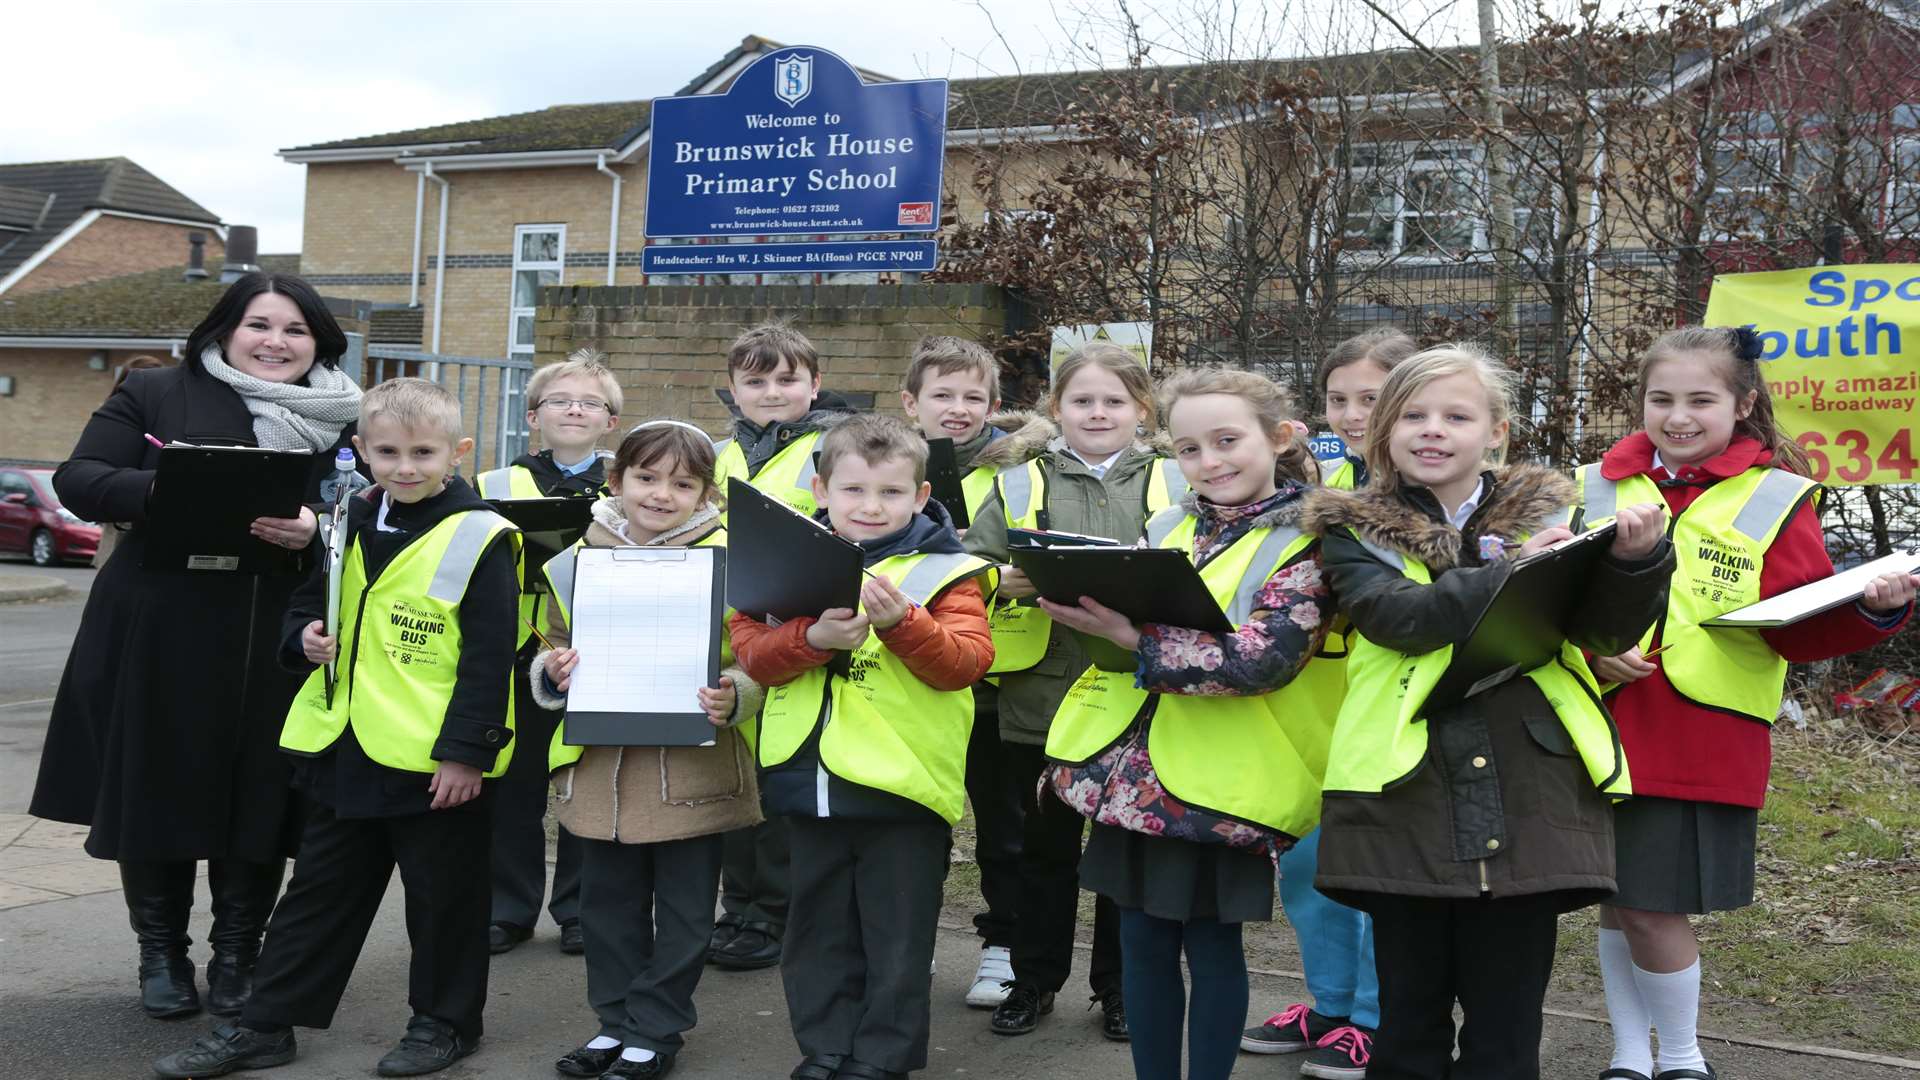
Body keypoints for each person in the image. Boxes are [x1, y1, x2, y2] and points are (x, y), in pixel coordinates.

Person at [1299, 345, 1674, 1080]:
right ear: (1383, 433)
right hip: (1403, 797)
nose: (1432, 430)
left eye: (1456, 416)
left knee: (1506, 1034)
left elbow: (1603, 634)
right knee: (1407, 1030)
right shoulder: (1350, 529)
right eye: (1411, 415)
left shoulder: (1557, 513)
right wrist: (1515, 569)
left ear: (1496, 432)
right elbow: (1399, 618)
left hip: (1531, 790)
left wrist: (1635, 564)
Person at [153, 377, 520, 1079]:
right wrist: (305, 637)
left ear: (458, 452)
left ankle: (443, 1025)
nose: (405, 466)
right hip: (345, 745)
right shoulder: (348, 516)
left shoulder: (482, 535)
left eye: (423, 452)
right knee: (316, 896)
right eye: (387, 451)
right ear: (360, 450)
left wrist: (467, 754)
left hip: (435, 761)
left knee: (444, 904)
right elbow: (306, 602)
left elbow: (490, 655)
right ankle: (265, 1025)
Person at [1576, 326, 1916, 1080]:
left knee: (1650, 904)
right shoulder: (1592, 485)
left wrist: (1875, 609)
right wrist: (1591, 651)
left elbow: (1800, 628)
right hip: (1593, 720)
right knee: (1616, 898)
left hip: (1700, 731)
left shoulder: (1776, 495)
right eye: (1660, 399)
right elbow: (1546, 600)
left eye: (1702, 399)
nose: (1678, 416)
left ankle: (1685, 1060)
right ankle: (1631, 1058)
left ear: (1744, 404)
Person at [32, 272, 363, 1021]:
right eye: (259, 324)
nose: (276, 342)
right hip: (157, 624)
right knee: (157, 786)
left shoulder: (344, 414)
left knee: (259, 795)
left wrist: (317, 525)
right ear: (224, 328)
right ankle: (162, 955)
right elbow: (79, 478)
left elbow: (373, 502)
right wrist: (164, 490)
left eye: (295, 330)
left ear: (319, 342)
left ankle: (240, 956)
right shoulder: (156, 392)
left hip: (276, 630)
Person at [1039, 367, 1338, 1080]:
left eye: (1228, 441)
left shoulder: (1310, 540)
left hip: (1222, 789)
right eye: (1191, 449)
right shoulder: (1170, 523)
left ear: (1282, 437)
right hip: (1133, 782)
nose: (1211, 462)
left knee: (1211, 948)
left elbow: (1263, 661)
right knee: (1140, 942)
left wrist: (1131, 637)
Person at [729, 413, 996, 1080]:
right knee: (816, 932)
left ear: (921, 495)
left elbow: (965, 663)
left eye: (890, 493)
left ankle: (880, 1058)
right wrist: (811, 641)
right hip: (805, 778)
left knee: (896, 937)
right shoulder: (785, 557)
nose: (870, 507)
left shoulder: (949, 570)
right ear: (821, 490)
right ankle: (826, 1048)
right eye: (852, 491)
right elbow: (752, 654)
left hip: (901, 787)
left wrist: (904, 623)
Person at [962, 342, 1190, 1041]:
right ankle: (1032, 981)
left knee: (1122, 854)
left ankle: (1119, 990)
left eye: (1114, 401)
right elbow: (970, 571)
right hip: (1045, 697)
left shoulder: (1179, 480)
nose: (1098, 412)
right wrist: (1005, 581)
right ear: (1055, 408)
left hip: (1139, 695)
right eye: (1083, 401)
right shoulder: (1019, 482)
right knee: (1044, 853)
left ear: (1142, 411)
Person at [532, 420, 765, 1080]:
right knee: (606, 912)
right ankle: (614, 1025)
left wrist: (737, 694)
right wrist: (554, 673)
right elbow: (550, 641)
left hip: (692, 769)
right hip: (601, 772)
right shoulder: (574, 558)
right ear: (617, 481)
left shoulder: (736, 561)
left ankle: (656, 1029)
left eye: (682, 483)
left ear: (706, 493)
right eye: (646, 477)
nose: (662, 493)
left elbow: (758, 657)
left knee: (688, 914)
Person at [1243, 328, 1415, 1078]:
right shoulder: (1306, 489)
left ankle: (1380, 1017)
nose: (1351, 414)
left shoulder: (1427, 489)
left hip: (1387, 705)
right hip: (1307, 706)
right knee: (1308, 863)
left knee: (1377, 867)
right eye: (1339, 399)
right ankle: (1331, 1003)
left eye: (1370, 399)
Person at [708, 322, 851, 972]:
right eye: (755, 381)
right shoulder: (715, 454)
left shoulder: (835, 449)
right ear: (733, 389)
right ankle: (738, 906)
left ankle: (772, 914)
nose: (771, 392)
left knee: (779, 787)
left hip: (795, 642)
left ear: (814, 384)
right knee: (734, 784)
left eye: (787, 379)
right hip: (723, 642)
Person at [476, 348, 622, 957]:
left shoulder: (627, 485)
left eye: (590, 402)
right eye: (559, 400)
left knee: (585, 781)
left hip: (597, 653)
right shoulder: (491, 484)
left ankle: (582, 911)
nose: (574, 409)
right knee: (512, 785)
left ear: (610, 420)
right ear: (533, 415)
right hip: (514, 654)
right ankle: (506, 909)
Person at [898, 334, 1025, 1007]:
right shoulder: (884, 465)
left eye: (973, 397)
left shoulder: (1020, 473)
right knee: (913, 822)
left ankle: (1002, 947)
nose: (957, 409)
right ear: (910, 402)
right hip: (909, 676)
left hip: (998, 678)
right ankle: (903, 947)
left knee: (1004, 826)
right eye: (941, 395)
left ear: (994, 404)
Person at [90, 354, 174, 568]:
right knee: (114, 569)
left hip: (156, 513)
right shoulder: (113, 416)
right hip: (122, 510)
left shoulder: (168, 412)